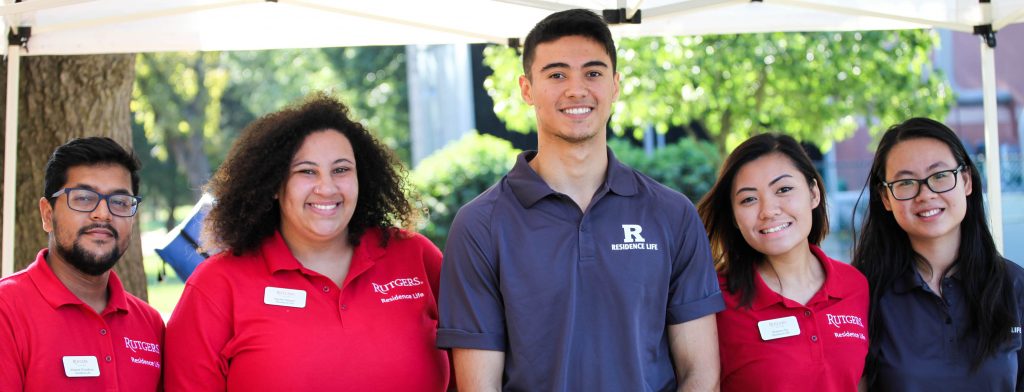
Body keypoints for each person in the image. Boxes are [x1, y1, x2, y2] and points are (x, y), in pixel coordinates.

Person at [436, 9, 724, 391]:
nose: (576, 89)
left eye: (593, 73)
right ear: (526, 89)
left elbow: (700, 374)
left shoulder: (672, 214)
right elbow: (479, 386)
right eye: (556, 75)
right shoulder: (480, 226)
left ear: (615, 86)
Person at [163, 93, 449, 391]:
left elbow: (476, 369)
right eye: (306, 171)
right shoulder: (217, 285)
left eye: (341, 170)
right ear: (274, 184)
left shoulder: (416, 258)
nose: (326, 187)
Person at [852, 117, 1024, 391]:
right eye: (906, 182)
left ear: (966, 181)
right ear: (886, 198)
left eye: (940, 176)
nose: (925, 194)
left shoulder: (1014, 285)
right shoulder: (860, 294)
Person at [697, 134, 868, 391]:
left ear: (813, 193)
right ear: (733, 216)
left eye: (784, 190)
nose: (768, 210)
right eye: (748, 199)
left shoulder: (855, 285)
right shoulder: (715, 300)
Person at [0, 137, 163, 391]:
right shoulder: (7, 311)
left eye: (120, 202)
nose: (103, 213)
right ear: (47, 214)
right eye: (84, 198)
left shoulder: (150, 325)